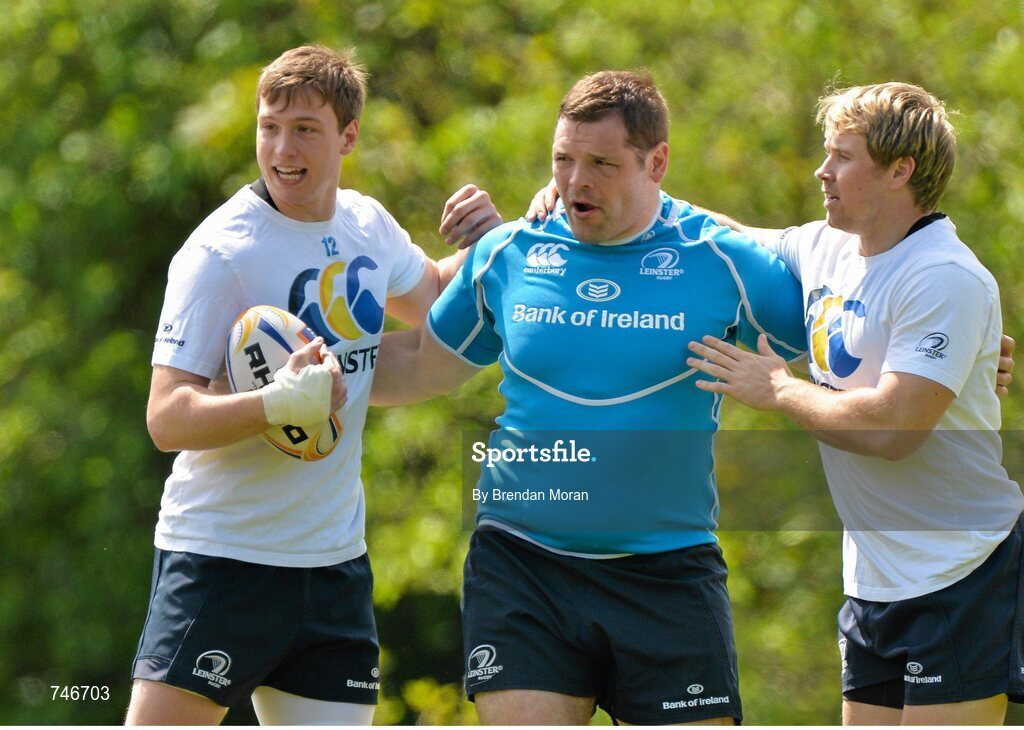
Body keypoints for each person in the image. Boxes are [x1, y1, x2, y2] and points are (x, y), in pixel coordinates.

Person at [371, 70, 808, 725]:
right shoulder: (509, 251)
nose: (577, 181)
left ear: (656, 163)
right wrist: (305, 374)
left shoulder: (725, 261)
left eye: (602, 163)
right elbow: (417, 365)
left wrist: (959, 358)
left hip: (667, 570)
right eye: (564, 161)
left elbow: (845, 336)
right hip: (523, 565)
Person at [127, 45, 500, 725]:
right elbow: (166, 417)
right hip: (223, 558)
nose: (281, 147)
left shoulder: (366, 225)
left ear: (348, 136)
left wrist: (499, 246)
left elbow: (432, 304)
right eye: (270, 126)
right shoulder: (220, 255)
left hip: (333, 566)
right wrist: (275, 405)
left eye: (304, 129)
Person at [685, 82, 1024, 725]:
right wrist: (592, 199)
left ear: (901, 170)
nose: (822, 171)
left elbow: (893, 430)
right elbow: (720, 234)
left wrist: (780, 389)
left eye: (842, 156)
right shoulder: (824, 246)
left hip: (963, 572)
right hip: (873, 578)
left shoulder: (944, 276)